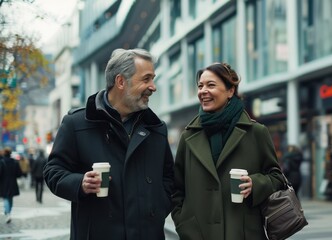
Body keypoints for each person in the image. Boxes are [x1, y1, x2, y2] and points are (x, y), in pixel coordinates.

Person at [43, 48, 175, 240]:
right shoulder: (76, 123)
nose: (153, 86)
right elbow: (53, 171)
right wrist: (80, 183)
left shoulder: (157, 128)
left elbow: (168, 178)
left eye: (153, 79)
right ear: (121, 81)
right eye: (146, 79)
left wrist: (157, 209)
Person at [171, 62, 284, 240]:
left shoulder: (256, 132)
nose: (203, 91)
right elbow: (177, 189)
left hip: (243, 233)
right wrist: (184, 224)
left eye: (211, 85)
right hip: (198, 235)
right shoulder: (188, 136)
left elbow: (277, 178)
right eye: (200, 86)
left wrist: (255, 184)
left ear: (230, 91)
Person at [0, 147, 23, 224]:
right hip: (13, 182)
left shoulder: (2, 162)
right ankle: (9, 212)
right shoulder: (14, 162)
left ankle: (8, 213)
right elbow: (19, 174)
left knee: (6, 198)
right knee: (10, 198)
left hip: (4, 183)